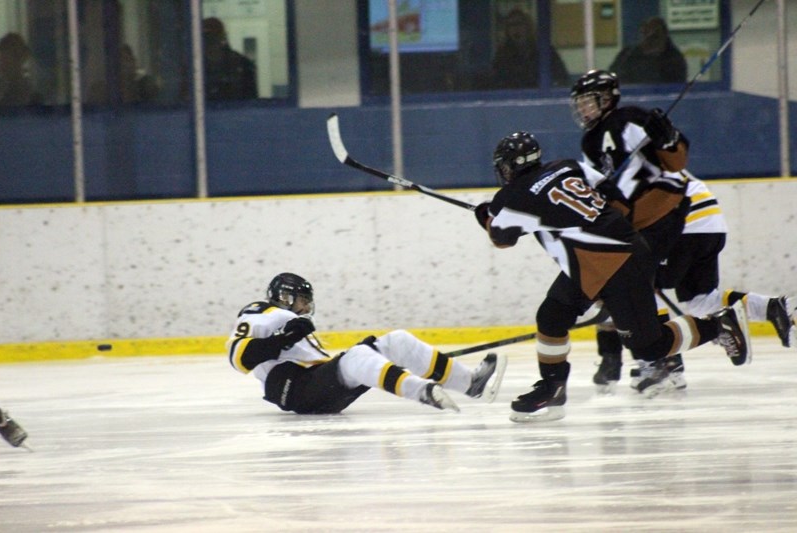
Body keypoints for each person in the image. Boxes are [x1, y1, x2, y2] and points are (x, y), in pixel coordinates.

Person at [473, 131, 750, 423]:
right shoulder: (568, 166)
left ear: (509, 167)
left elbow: (501, 238)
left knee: (648, 346)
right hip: (618, 252)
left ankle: (719, 325)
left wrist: (486, 217)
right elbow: (613, 197)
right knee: (552, 315)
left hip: (614, 265)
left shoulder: (511, 196)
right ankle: (552, 388)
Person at [570, 69, 795, 393]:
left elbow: (666, 157)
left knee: (636, 280)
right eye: (579, 104)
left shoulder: (624, 121)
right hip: (705, 216)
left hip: (681, 218)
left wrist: (668, 137)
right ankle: (777, 307)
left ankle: (662, 364)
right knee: (702, 302)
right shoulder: (594, 142)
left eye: (588, 102)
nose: (582, 109)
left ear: (607, 99)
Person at [227, 273, 507, 414]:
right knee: (358, 356)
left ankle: (470, 383)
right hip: (292, 389)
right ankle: (422, 391)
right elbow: (238, 357)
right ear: (284, 297)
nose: (304, 307)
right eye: (301, 301)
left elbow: (316, 364)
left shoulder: (289, 321)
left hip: (315, 384)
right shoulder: (260, 312)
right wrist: (282, 339)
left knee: (396, 341)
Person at [491, 8, 569, 89]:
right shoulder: (503, 54)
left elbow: (561, 77)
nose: (515, 28)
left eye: (519, 23)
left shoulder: (544, 51)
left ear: (528, 26)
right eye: (511, 25)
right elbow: (497, 80)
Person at [609, 16, 686, 85]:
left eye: (655, 36)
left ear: (664, 35)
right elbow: (613, 79)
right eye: (645, 34)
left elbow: (677, 87)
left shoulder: (674, 59)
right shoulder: (627, 55)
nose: (649, 40)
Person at [202, 17, 257, 101]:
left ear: (222, 37)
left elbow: (251, 101)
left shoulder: (242, 64)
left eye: (214, 35)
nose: (210, 40)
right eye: (206, 36)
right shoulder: (195, 68)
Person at [0, 32, 41, 106]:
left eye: (7, 62)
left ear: (20, 60)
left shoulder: (31, 94)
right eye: (1, 60)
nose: (2, 66)